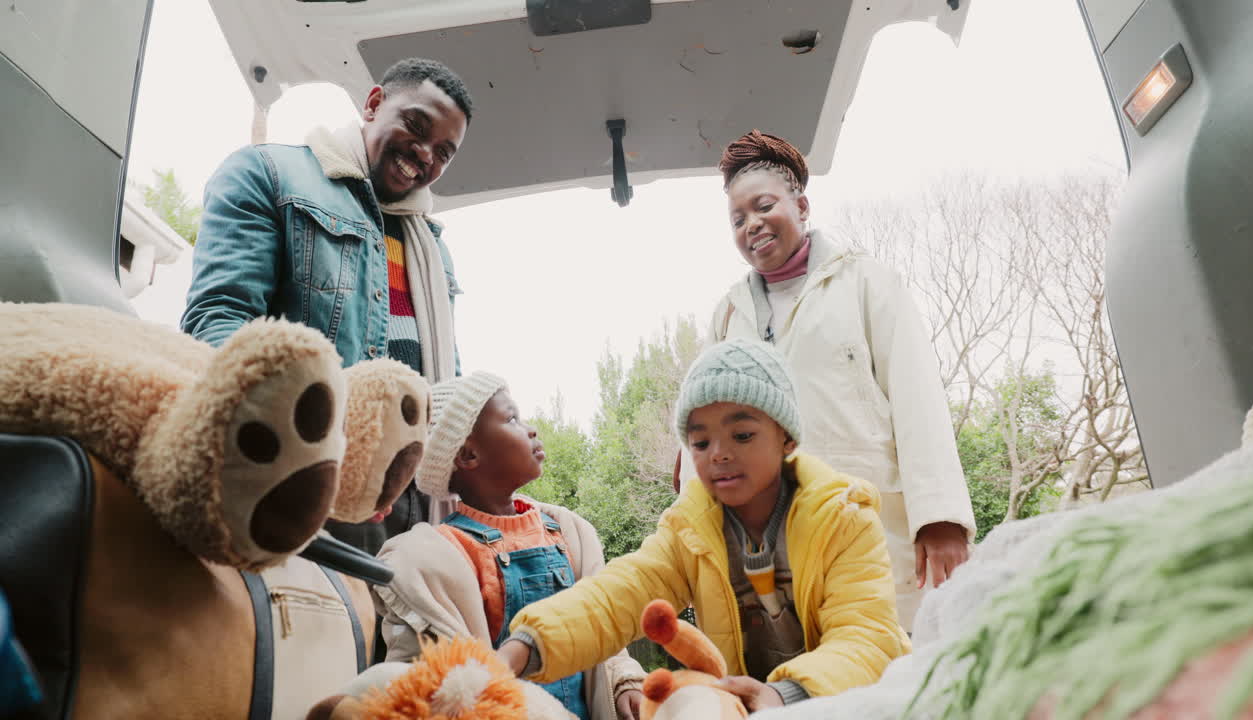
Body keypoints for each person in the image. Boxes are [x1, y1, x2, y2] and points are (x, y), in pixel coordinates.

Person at [496, 339, 909, 712]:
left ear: (787, 438)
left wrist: (784, 695)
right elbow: (619, 594)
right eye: (701, 442)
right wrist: (529, 643)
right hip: (741, 706)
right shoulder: (689, 529)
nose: (719, 454)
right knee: (689, 701)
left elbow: (866, 637)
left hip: (843, 706)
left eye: (742, 435)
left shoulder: (844, 519)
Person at [180, 58, 474, 555]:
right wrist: (332, 445)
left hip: (412, 501)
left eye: (443, 152)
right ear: (374, 104)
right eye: (416, 126)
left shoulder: (433, 248)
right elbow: (218, 324)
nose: (425, 155)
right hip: (302, 477)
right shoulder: (267, 174)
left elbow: (447, 384)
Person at [689, 129, 977, 631]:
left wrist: (940, 517)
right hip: (768, 551)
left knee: (886, 659)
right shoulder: (728, 315)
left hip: (870, 529)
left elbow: (918, 399)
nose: (752, 224)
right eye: (738, 219)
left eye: (764, 206)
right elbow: (702, 434)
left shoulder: (867, 282)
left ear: (801, 206)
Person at [373, 372, 647, 720]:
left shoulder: (567, 533)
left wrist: (623, 681)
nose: (531, 429)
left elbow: (602, 624)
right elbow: (416, 673)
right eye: (512, 419)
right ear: (469, 455)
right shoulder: (444, 554)